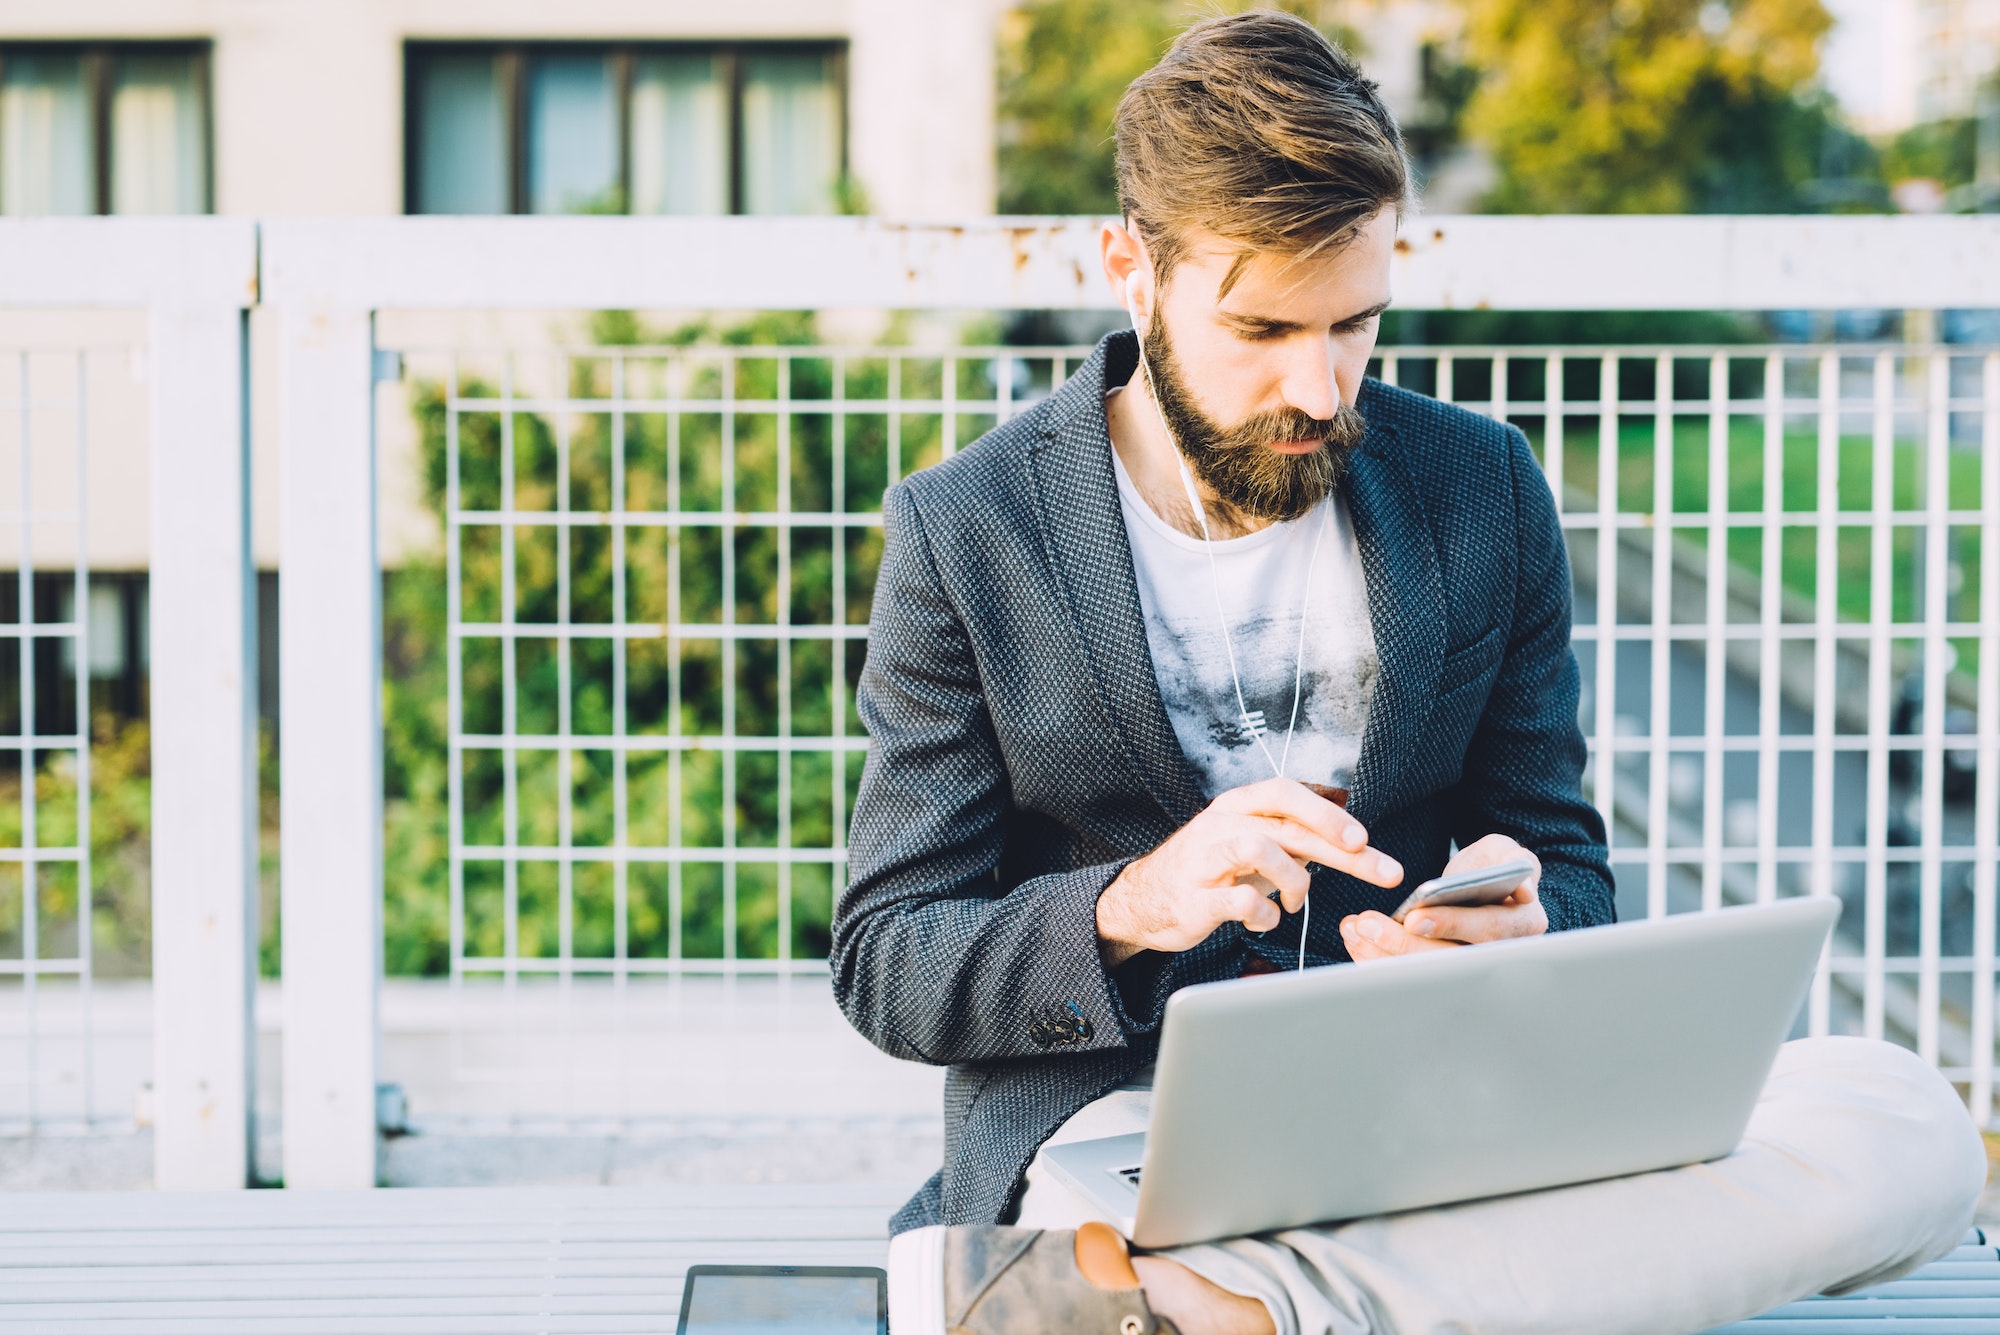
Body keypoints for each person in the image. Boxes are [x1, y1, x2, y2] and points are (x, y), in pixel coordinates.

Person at [829, 12, 1985, 1334]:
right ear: (1129, 271)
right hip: (1119, 1129)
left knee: (1910, 1124)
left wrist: (1526, 936)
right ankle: (1262, 1291)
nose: (1319, 389)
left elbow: (1563, 855)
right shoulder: (971, 530)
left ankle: (1222, 1314)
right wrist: (1133, 905)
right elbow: (890, 960)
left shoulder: (1479, 486)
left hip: (1437, 1111)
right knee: (1701, 1215)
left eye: (1355, 324)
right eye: (1262, 328)